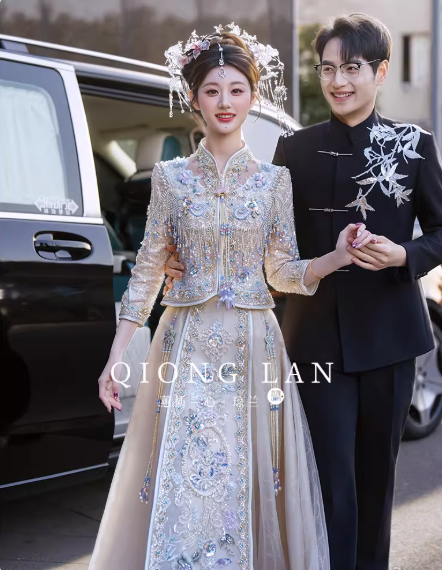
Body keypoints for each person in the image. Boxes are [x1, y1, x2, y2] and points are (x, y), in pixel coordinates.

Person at [88, 24, 375, 570]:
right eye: (212, 90)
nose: (225, 102)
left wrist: (336, 257)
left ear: (252, 96)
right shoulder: (170, 179)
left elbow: (282, 271)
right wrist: (116, 354)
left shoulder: (273, 182)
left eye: (237, 89)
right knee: (188, 476)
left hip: (253, 344)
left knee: (245, 473)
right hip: (185, 343)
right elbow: (147, 269)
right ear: (193, 97)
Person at [165, 13, 442, 570]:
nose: (338, 81)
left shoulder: (414, 145)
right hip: (314, 341)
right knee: (328, 481)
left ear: (380, 71)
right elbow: (266, 243)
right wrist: (190, 259)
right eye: (328, 68)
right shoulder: (293, 150)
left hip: (391, 339)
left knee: (376, 482)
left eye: (352, 68)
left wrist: (405, 256)